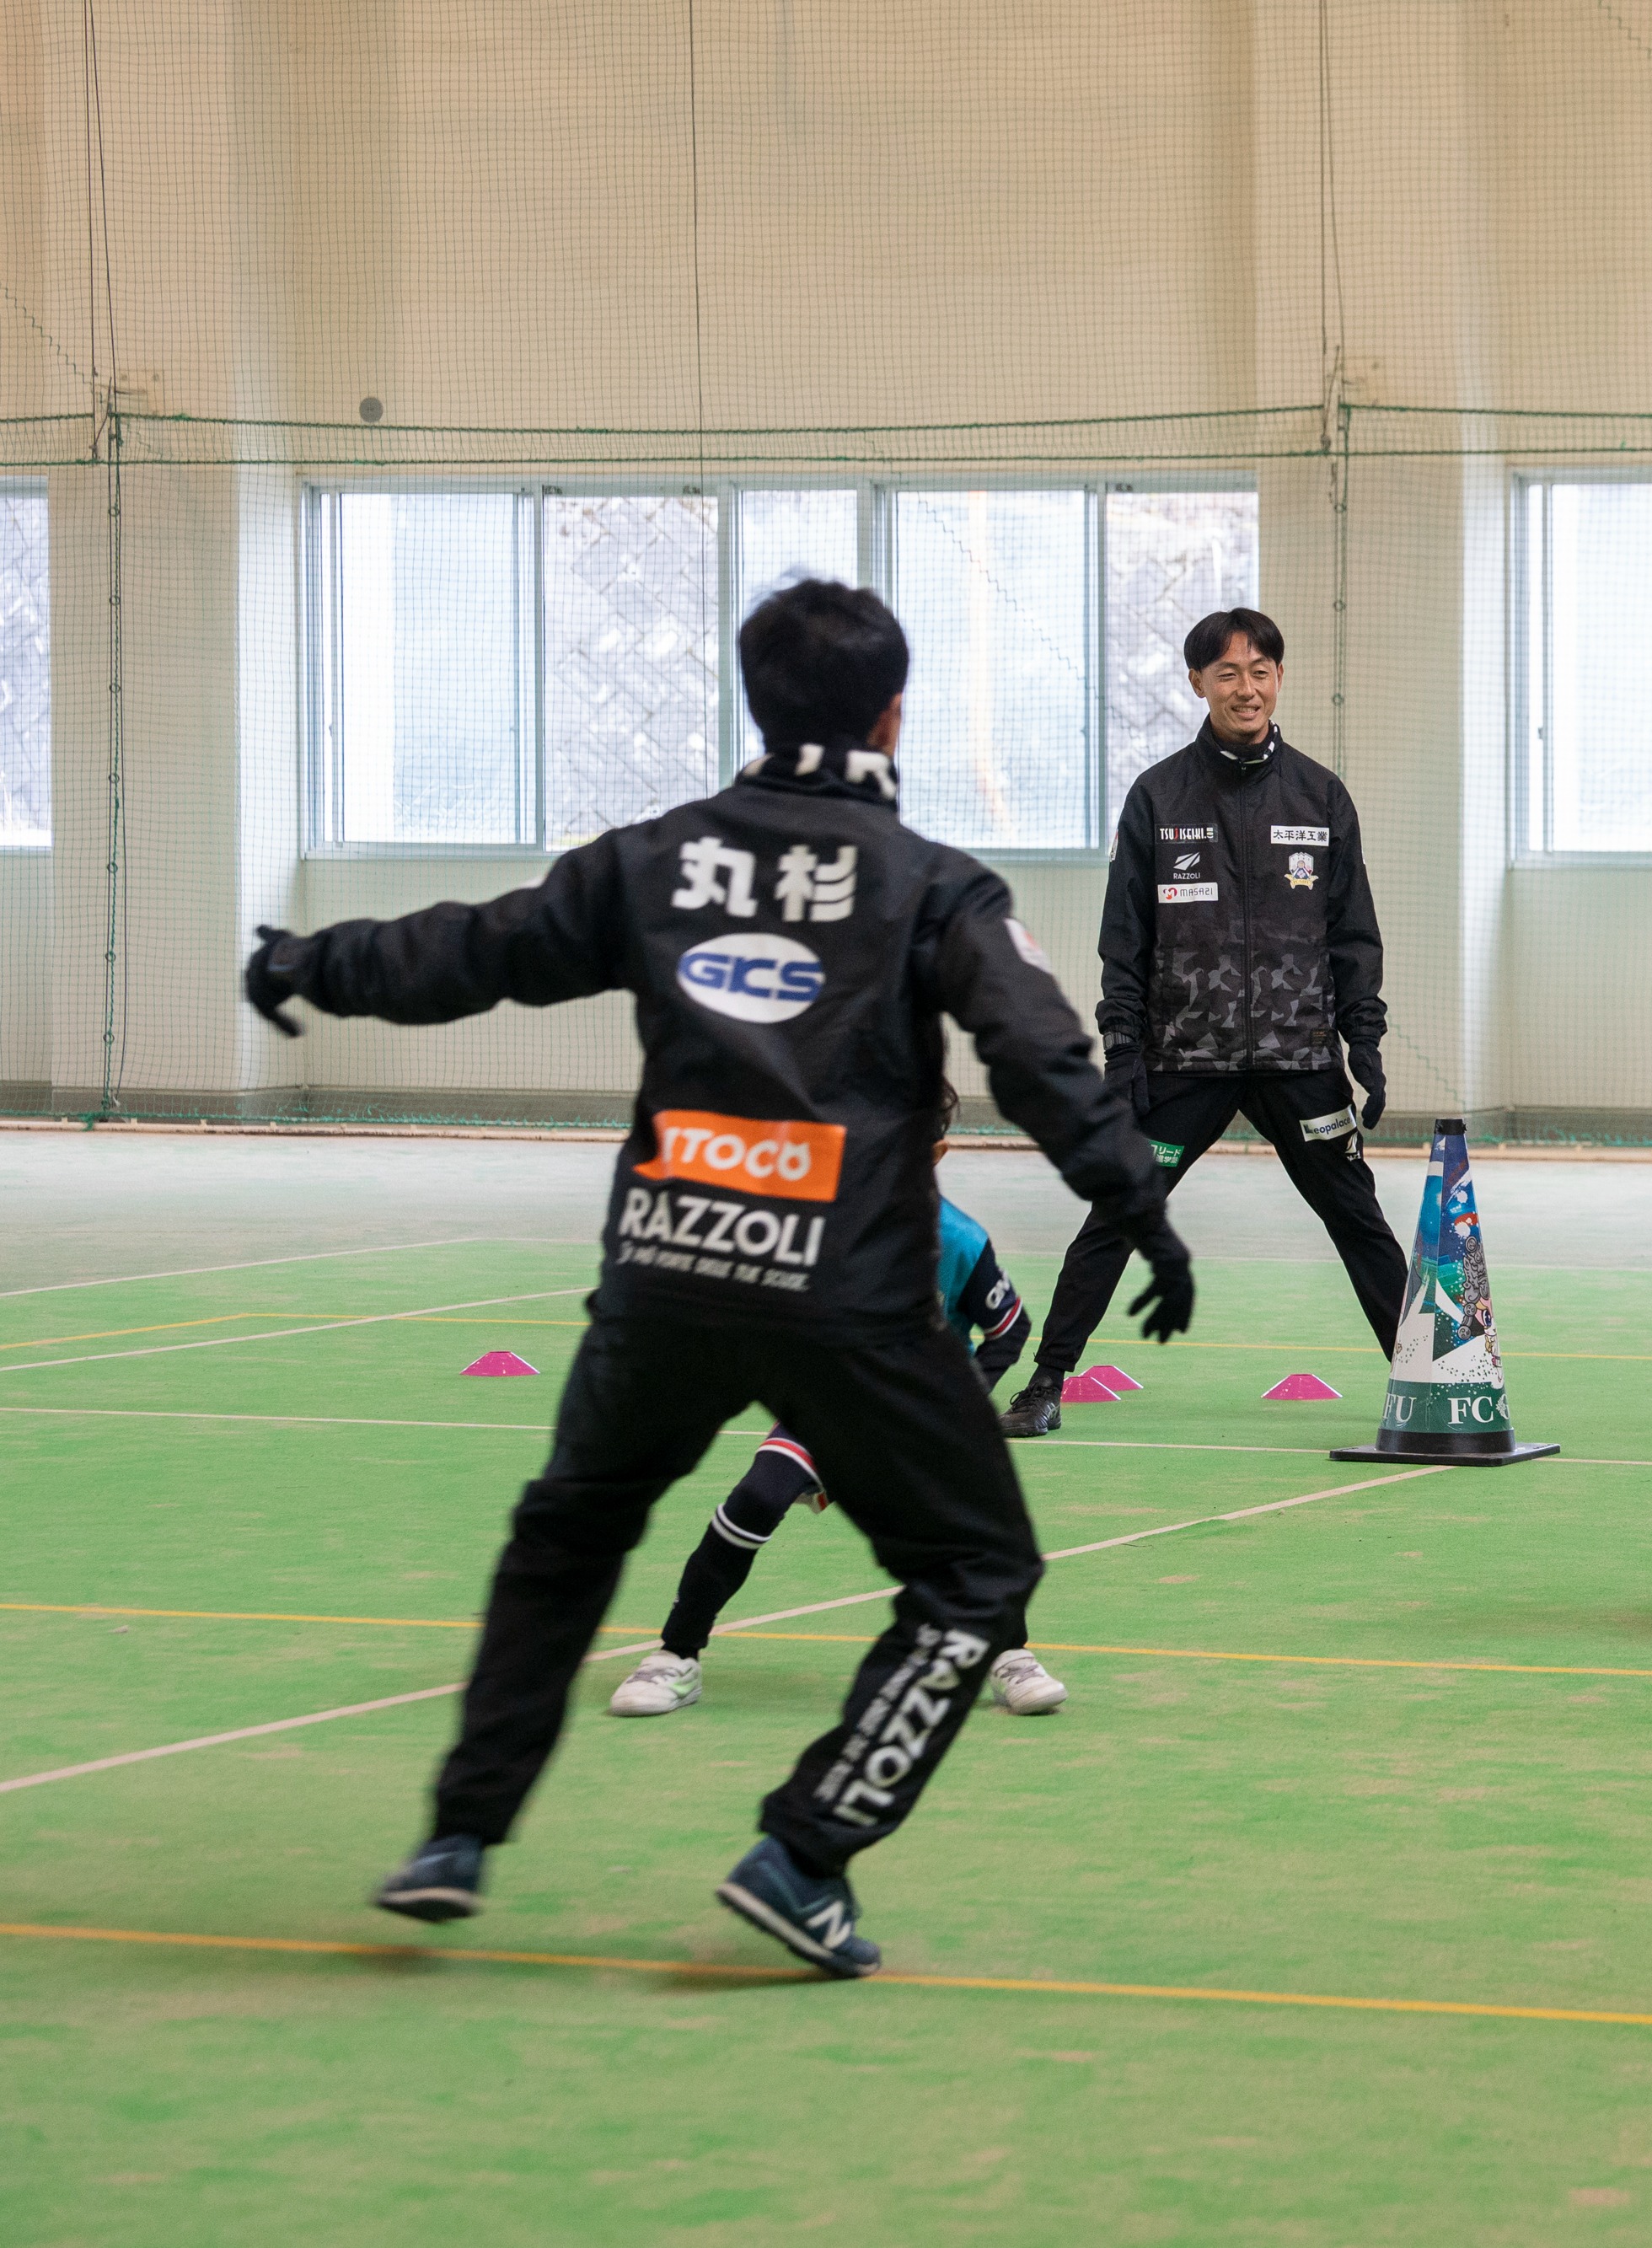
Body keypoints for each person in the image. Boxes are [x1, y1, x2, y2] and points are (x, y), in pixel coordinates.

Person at [243, 578, 1194, 1977]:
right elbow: (1039, 1052)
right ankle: (804, 1855)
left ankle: (458, 1837)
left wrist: (314, 961)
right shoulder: (933, 882)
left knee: (568, 1535)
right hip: (851, 1295)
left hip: (668, 1270)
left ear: (757, 703)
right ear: (892, 712)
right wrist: (1138, 1200)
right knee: (978, 1570)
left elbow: (478, 949)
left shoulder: (656, 861)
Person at [1000, 608, 1408, 1436]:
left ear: (1278, 679)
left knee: (1357, 1218)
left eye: (1259, 671)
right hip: (1182, 1058)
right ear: (1198, 683)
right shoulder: (1158, 796)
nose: (1245, 687)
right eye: (1226, 673)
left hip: (1299, 1060)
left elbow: (1352, 932)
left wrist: (1361, 1043)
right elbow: (1126, 943)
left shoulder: (1320, 795)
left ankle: (1433, 1380)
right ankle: (1045, 1384)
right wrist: (1123, 1053)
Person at [603, 1092, 1071, 1721]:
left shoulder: (957, 1239)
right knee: (754, 1501)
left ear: (934, 1152)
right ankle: (674, 1656)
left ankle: (1008, 1655)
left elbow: (1009, 1328)